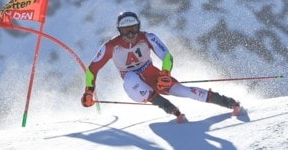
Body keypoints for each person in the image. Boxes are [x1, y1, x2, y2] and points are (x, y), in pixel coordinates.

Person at [81, 11, 241, 123]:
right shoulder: (111, 46)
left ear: (139, 27)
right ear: (119, 30)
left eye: (134, 29)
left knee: (183, 91)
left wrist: (165, 73)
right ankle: (167, 107)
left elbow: (167, 56)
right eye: (126, 31)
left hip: (155, 77)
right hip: (135, 88)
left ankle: (228, 102)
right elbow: (92, 69)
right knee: (130, 77)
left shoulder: (147, 37)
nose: (131, 35)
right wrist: (89, 91)